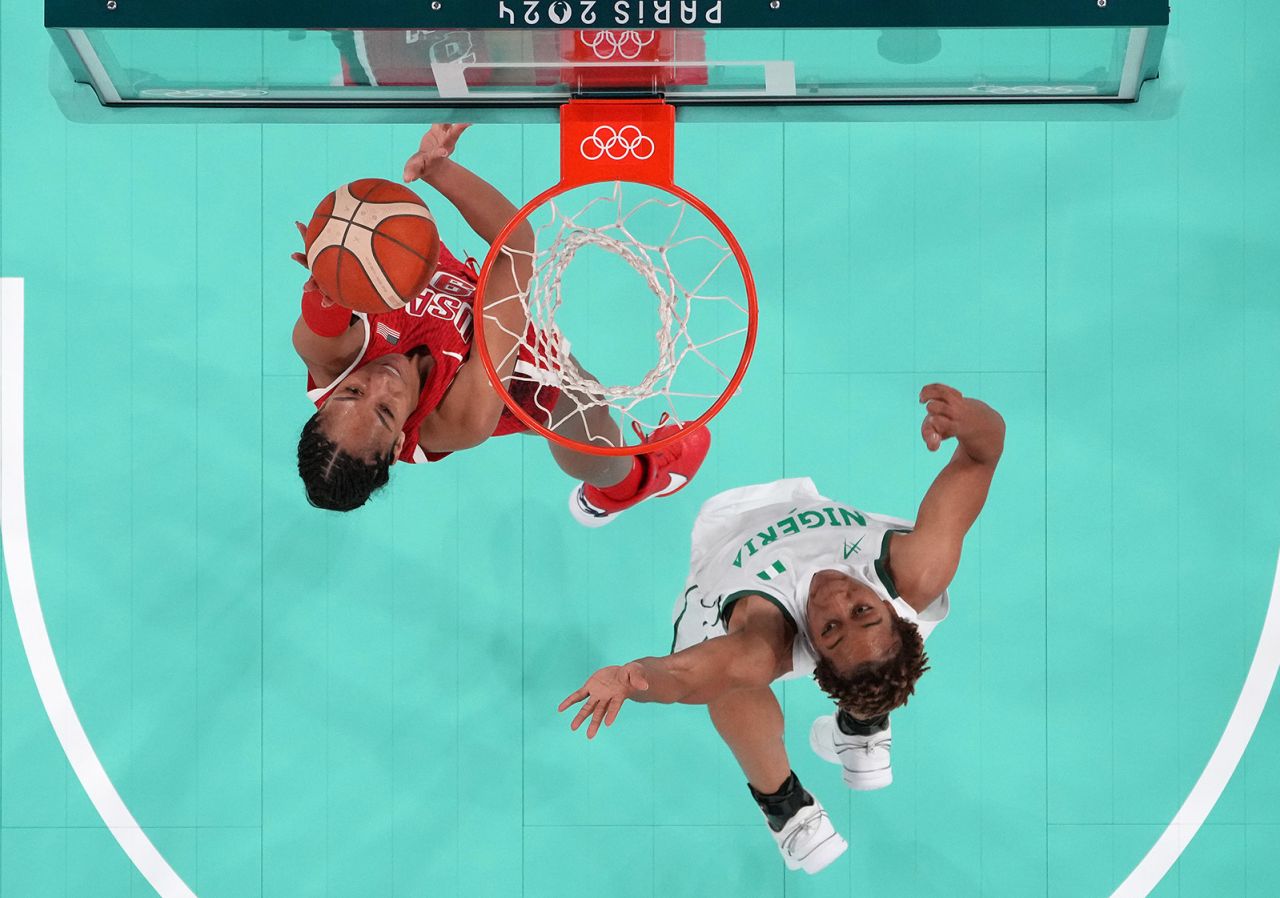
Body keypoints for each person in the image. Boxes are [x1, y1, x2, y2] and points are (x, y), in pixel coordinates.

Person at [558, 384, 1005, 873]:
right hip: (822, 537)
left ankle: (789, 812)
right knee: (880, 657)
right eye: (862, 610)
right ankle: (863, 726)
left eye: (831, 627)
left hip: (727, 536)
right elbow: (981, 457)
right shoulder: (916, 572)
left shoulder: (761, 640)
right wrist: (968, 417)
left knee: (730, 681)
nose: (837, 597)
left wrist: (629, 679)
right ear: (888, 608)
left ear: (812, 646)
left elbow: (683, 676)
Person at [290, 123, 708, 516]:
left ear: (328, 394)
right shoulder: (460, 420)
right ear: (400, 441)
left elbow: (321, 318)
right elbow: (516, 249)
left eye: (353, 391)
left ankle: (613, 493)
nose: (382, 380)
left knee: (590, 403)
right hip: (510, 381)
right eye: (384, 411)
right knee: (583, 409)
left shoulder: (328, 348)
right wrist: (444, 174)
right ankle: (631, 483)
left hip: (473, 317)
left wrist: (331, 270)